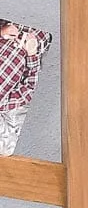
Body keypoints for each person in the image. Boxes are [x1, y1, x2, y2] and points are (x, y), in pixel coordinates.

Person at [0, 20, 52, 149]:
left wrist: (2, 31)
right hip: (36, 39)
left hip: (11, 21)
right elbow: (28, 89)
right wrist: (32, 53)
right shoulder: (4, 102)